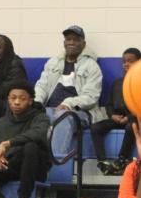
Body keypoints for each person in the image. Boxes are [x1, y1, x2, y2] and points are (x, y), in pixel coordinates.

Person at [0, 80, 52, 198]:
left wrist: (8, 143)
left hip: (34, 166)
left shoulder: (40, 117)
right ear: (8, 100)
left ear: (30, 101)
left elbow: (38, 134)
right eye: (13, 98)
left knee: (30, 146)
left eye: (22, 99)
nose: (16, 102)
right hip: (10, 165)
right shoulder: (1, 122)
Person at [34, 25, 103, 160]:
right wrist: (36, 102)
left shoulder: (92, 66)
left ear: (83, 43)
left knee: (63, 116)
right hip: (50, 109)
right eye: (68, 39)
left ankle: (56, 163)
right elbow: (41, 85)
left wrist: (68, 103)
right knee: (35, 116)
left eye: (76, 40)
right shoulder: (53, 62)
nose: (71, 42)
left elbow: (91, 97)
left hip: (79, 112)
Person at [92, 48, 140, 175]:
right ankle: (102, 161)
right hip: (118, 118)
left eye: (130, 61)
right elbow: (109, 104)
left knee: (131, 127)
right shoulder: (117, 84)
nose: (126, 64)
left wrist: (129, 117)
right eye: (124, 61)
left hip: (134, 119)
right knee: (96, 128)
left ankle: (122, 160)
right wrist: (112, 115)